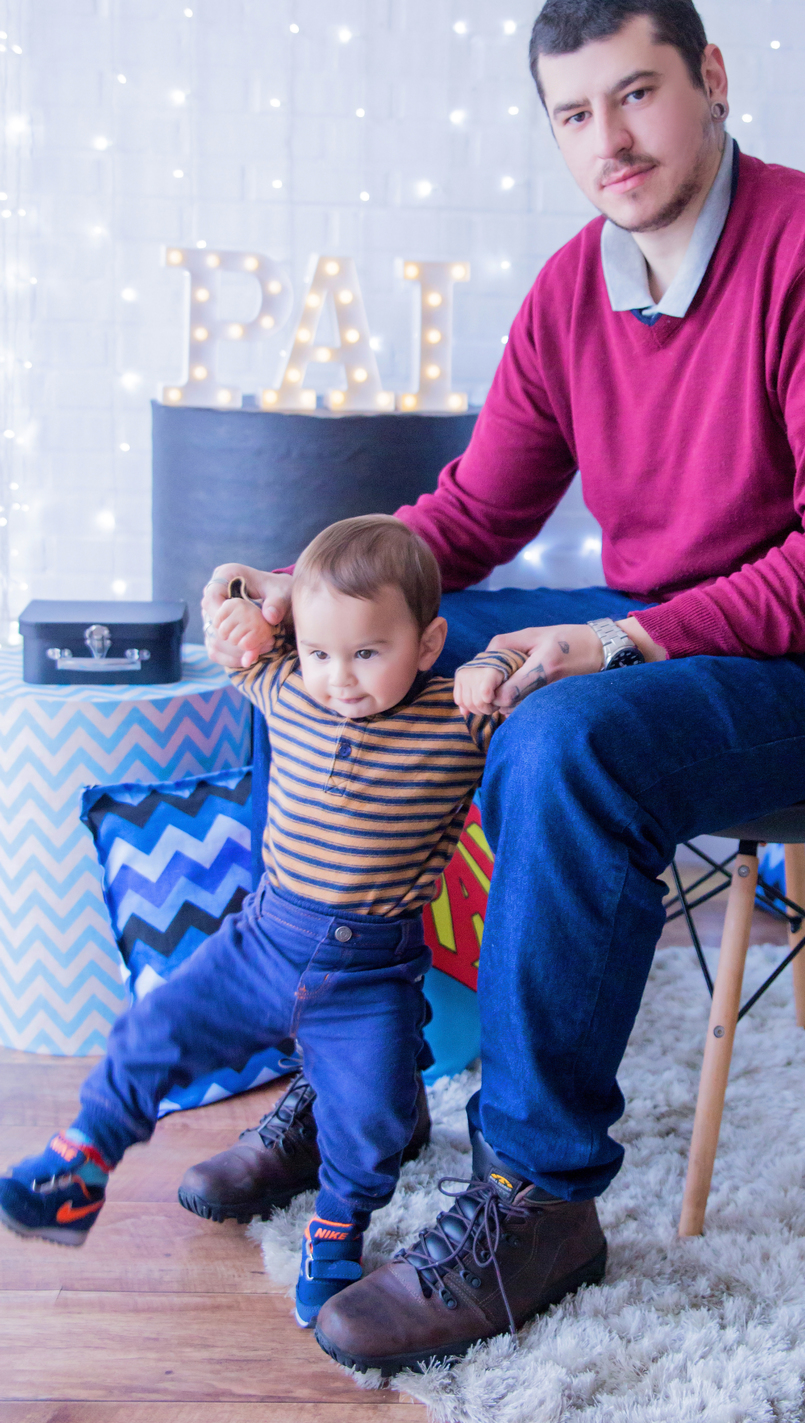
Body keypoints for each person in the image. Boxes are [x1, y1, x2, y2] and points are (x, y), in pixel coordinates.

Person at [196, 0, 805, 1375]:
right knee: (331, 657)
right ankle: (357, 1069)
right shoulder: (569, 292)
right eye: (571, 115)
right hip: (677, 634)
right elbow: (475, 516)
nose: (606, 140)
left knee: (567, 737)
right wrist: (299, 592)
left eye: (637, 95)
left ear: (711, 80)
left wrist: (617, 639)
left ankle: (538, 1202)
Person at [0, 516, 524, 1334]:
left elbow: (534, 679)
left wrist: (496, 665)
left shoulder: (458, 721)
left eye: (366, 654)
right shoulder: (285, 683)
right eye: (321, 652)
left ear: (427, 646)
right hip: (261, 946)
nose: (339, 678)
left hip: (368, 978)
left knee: (374, 1117)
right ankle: (83, 1158)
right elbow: (238, 627)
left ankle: (336, 1228)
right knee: (151, 1031)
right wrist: (244, 599)